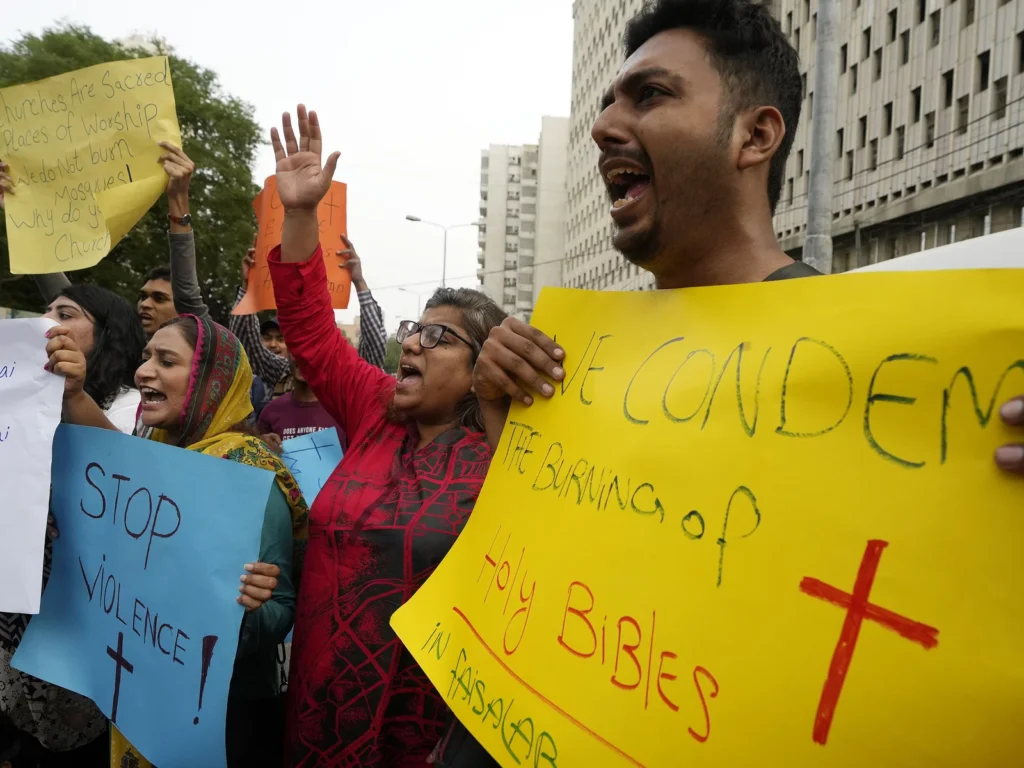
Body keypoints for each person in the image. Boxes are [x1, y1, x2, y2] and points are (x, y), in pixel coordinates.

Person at [265, 105, 505, 767]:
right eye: (413, 327)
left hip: (421, 733)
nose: (413, 342)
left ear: (480, 368)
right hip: (319, 707)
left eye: (440, 336)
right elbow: (310, 331)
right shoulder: (373, 408)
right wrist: (302, 214)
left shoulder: (506, 454)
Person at [42, 314, 306, 767]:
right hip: (140, 692)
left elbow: (279, 612)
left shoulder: (249, 472)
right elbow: (111, 454)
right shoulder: (159, 455)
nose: (144, 371)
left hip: (222, 717)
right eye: (145, 358)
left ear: (211, 381)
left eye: (166, 361)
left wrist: (247, 608)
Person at [4, 142, 197, 340]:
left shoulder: (203, 354)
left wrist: (178, 198)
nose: (145, 304)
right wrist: (18, 212)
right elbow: (68, 298)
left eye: (160, 298)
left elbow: (187, 292)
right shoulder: (119, 352)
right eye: (143, 296)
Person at [229, 233, 390, 401]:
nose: (305, 355)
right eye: (298, 343)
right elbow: (246, 341)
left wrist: (359, 282)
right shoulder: (281, 372)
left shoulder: (344, 378)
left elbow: (374, 349)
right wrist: (249, 285)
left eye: (313, 344)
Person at [256, 353, 345, 454]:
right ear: (288, 354)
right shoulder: (271, 412)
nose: (304, 356)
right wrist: (261, 446)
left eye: (311, 351)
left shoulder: (343, 410)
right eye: (297, 349)